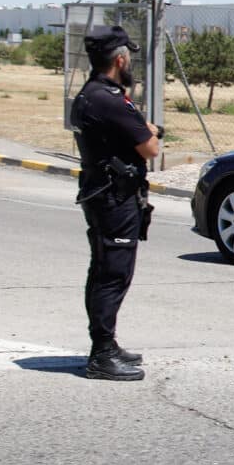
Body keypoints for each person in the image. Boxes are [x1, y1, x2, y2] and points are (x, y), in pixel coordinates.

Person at [70, 25, 161, 381]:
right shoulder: (110, 99)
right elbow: (150, 147)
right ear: (119, 59)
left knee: (105, 270)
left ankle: (106, 344)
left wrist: (142, 127)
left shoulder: (91, 94)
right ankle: (102, 354)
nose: (131, 65)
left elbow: (133, 131)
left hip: (103, 192)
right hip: (113, 197)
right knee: (112, 274)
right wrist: (148, 130)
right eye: (129, 58)